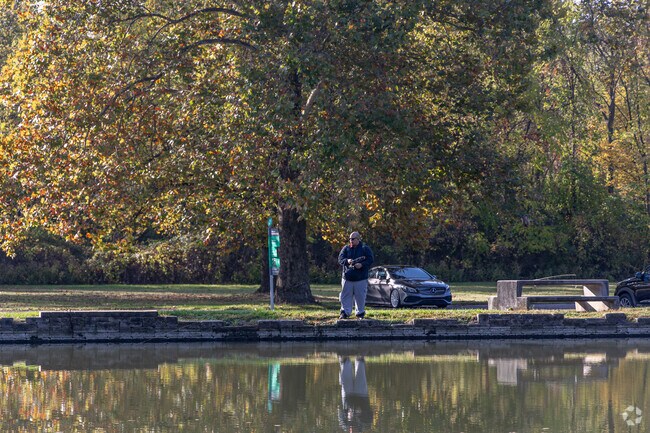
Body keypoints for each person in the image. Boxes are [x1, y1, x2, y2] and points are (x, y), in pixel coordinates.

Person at [338, 231, 374, 319]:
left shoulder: (365, 248)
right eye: (350, 239)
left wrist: (361, 265)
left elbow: (370, 260)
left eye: (353, 239)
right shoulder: (346, 248)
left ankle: (360, 313)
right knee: (345, 297)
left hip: (361, 278)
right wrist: (347, 261)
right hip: (347, 277)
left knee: (360, 297)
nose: (351, 240)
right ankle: (345, 313)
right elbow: (340, 259)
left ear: (358, 239)